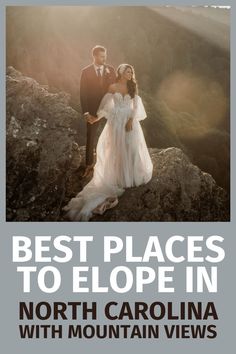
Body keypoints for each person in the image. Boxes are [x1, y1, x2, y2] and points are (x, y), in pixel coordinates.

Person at [62, 63, 153, 221]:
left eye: (131, 71)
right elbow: (105, 107)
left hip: (128, 122)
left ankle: (130, 174)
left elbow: (136, 105)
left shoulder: (133, 87)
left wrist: (131, 120)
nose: (130, 73)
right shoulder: (112, 87)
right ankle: (118, 176)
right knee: (115, 150)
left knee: (131, 148)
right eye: (127, 71)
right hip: (115, 123)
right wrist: (95, 118)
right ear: (120, 72)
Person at [80, 45, 116, 177]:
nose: (104, 58)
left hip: (110, 108)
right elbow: (83, 93)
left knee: (114, 135)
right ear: (94, 56)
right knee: (91, 137)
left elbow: (115, 89)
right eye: (101, 56)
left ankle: (111, 165)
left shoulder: (111, 70)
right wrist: (85, 112)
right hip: (93, 110)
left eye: (105, 55)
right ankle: (89, 165)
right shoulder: (86, 71)